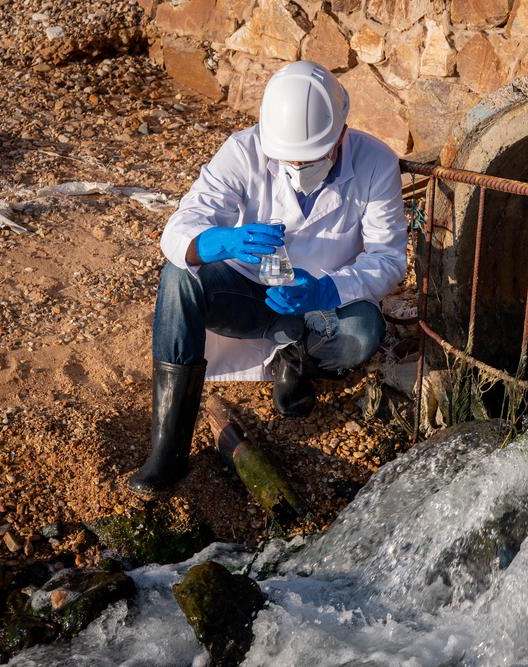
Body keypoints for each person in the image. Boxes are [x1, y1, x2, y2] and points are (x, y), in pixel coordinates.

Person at [129, 60, 408, 498]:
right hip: (247, 296)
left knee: (362, 332)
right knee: (179, 278)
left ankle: (295, 363)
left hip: (321, 305)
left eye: (309, 158)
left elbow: (388, 259)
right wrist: (221, 242)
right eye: (286, 157)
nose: (296, 165)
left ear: (341, 133)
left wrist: (327, 289)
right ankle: (168, 451)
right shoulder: (244, 150)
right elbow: (179, 229)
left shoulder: (376, 163)